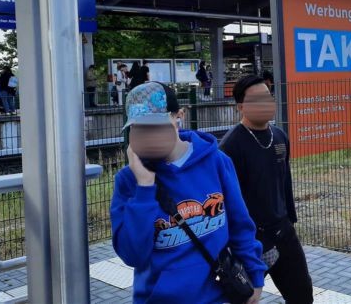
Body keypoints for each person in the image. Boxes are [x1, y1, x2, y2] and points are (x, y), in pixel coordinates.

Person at [111, 82, 266, 303]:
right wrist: (144, 188)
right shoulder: (128, 180)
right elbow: (132, 255)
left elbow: (240, 224)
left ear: (178, 116)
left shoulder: (216, 162)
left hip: (219, 295)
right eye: (140, 128)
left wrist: (255, 276)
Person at [220, 75, 314, 304]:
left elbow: (284, 181)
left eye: (268, 96)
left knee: (302, 296)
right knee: (243, 298)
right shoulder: (230, 146)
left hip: (283, 232)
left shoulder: (279, 136)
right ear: (241, 106)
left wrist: (290, 219)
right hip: (251, 240)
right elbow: (226, 201)